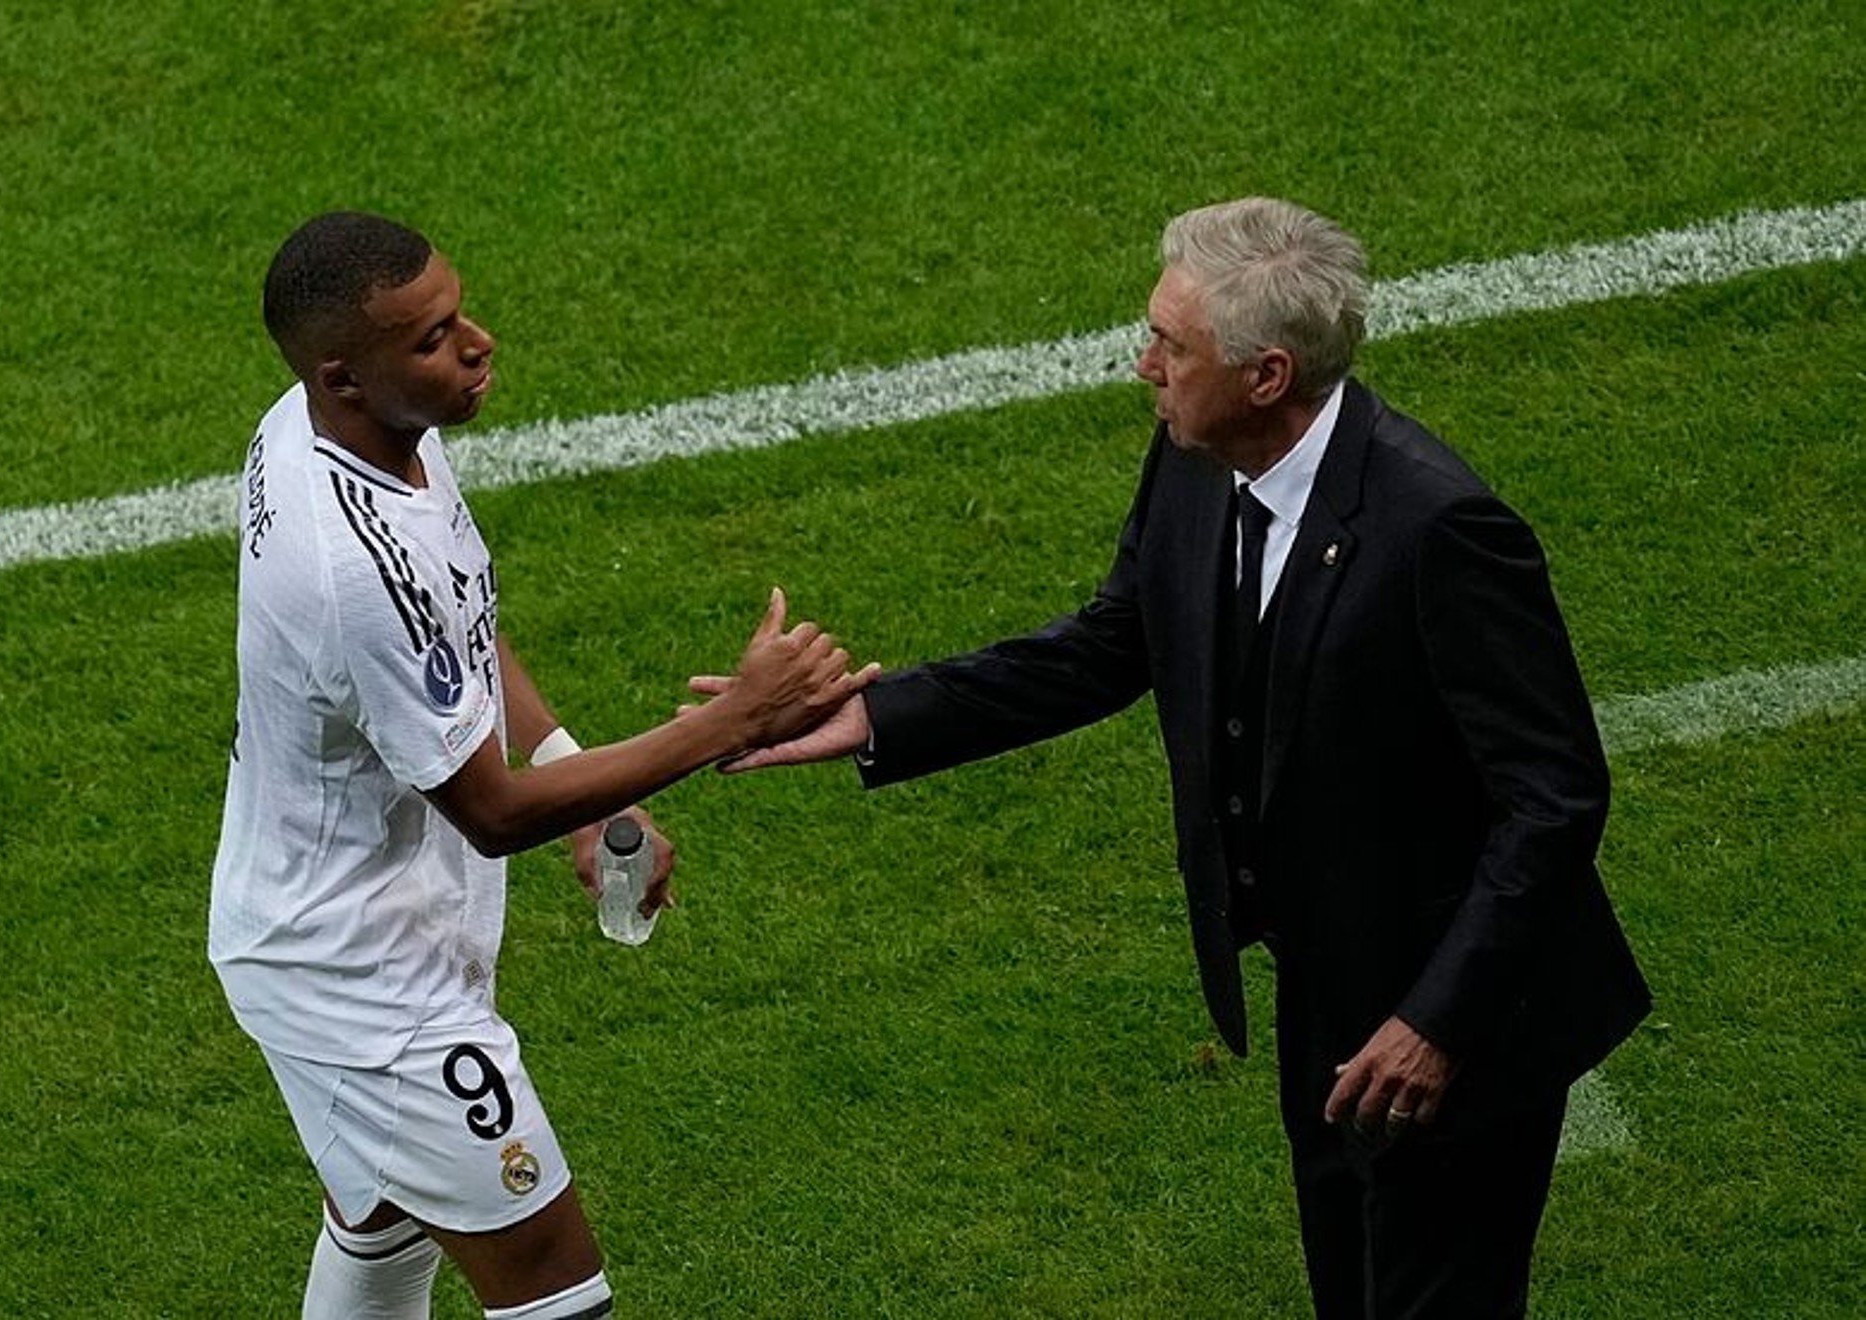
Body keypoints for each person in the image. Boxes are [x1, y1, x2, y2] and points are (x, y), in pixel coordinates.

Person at [699, 197, 1651, 1316]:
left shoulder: (1440, 529)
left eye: (1169, 345)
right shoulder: (1197, 458)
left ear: (1266, 375)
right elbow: (1116, 642)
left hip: (1457, 1015)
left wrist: (1438, 1021)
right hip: (1328, 985)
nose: (1141, 366)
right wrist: (879, 718)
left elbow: (1554, 797)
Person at [210, 210, 874, 1319]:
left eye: (457, 314)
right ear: (344, 375)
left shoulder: (353, 429)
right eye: (431, 339)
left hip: (330, 921)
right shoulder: (350, 566)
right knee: (562, 1298)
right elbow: (493, 810)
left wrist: (577, 772)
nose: (477, 345)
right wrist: (736, 720)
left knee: (382, 1228)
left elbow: (456, 623)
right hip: (363, 981)